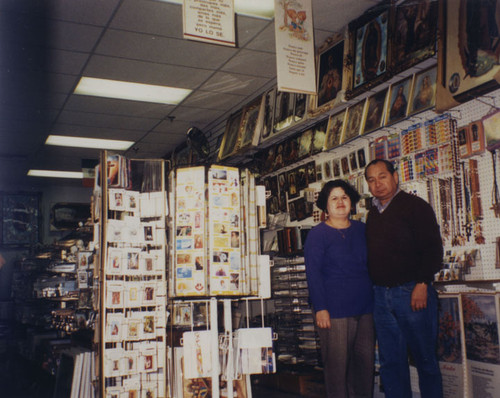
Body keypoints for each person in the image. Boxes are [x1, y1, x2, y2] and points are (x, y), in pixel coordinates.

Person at [364, 159, 443, 398]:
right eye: (371, 179)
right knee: (391, 363)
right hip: (380, 297)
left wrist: (422, 283)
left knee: (425, 360)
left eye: (382, 176)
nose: (377, 184)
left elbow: (432, 248)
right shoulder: (372, 214)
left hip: (411, 292)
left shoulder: (415, 206)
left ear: (395, 177)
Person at [304, 180, 374, 398]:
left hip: (365, 308)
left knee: (364, 368)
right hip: (333, 311)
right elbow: (313, 273)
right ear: (326, 206)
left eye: (344, 197)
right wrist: (321, 308)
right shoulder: (318, 234)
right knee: (337, 370)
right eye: (334, 198)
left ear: (352, 202)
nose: (340, 202)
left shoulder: (363, 230)